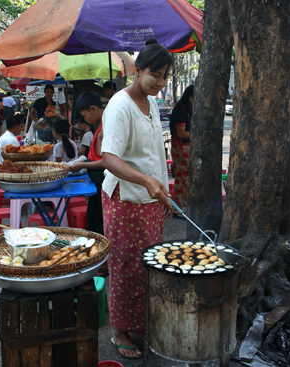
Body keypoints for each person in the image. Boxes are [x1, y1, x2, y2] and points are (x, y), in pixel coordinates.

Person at [100, 39, 173, 359]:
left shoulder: (153, 102)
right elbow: (109, 158)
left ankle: (142, 321)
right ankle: (120, 330)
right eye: (154, 75)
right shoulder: (120, 105)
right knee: (126, 265)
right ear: (136, 70)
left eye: (165, 76)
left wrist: (163, 191)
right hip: (125, 199)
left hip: (150, 200)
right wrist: (146, 181)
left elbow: (154, 153)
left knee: (149, 265)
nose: (160, 83)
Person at [71, 91, 105, 235]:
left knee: (100, 227)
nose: (86, 119)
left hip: (101, 186)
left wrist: (83, 165)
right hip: (96, 186)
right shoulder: (100, 127)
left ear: (93, 109)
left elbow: (106, 162)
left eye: (85, 116)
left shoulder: (105, 129)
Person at [169, 85, 194, 215]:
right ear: (190, 98)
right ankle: (179, 209)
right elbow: (181, 133)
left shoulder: (187, 110)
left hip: (186, 147)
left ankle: (182, 207)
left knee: (186, 178)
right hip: (180, 148)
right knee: (183, 178)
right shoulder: (181, 110)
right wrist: (197, 135)